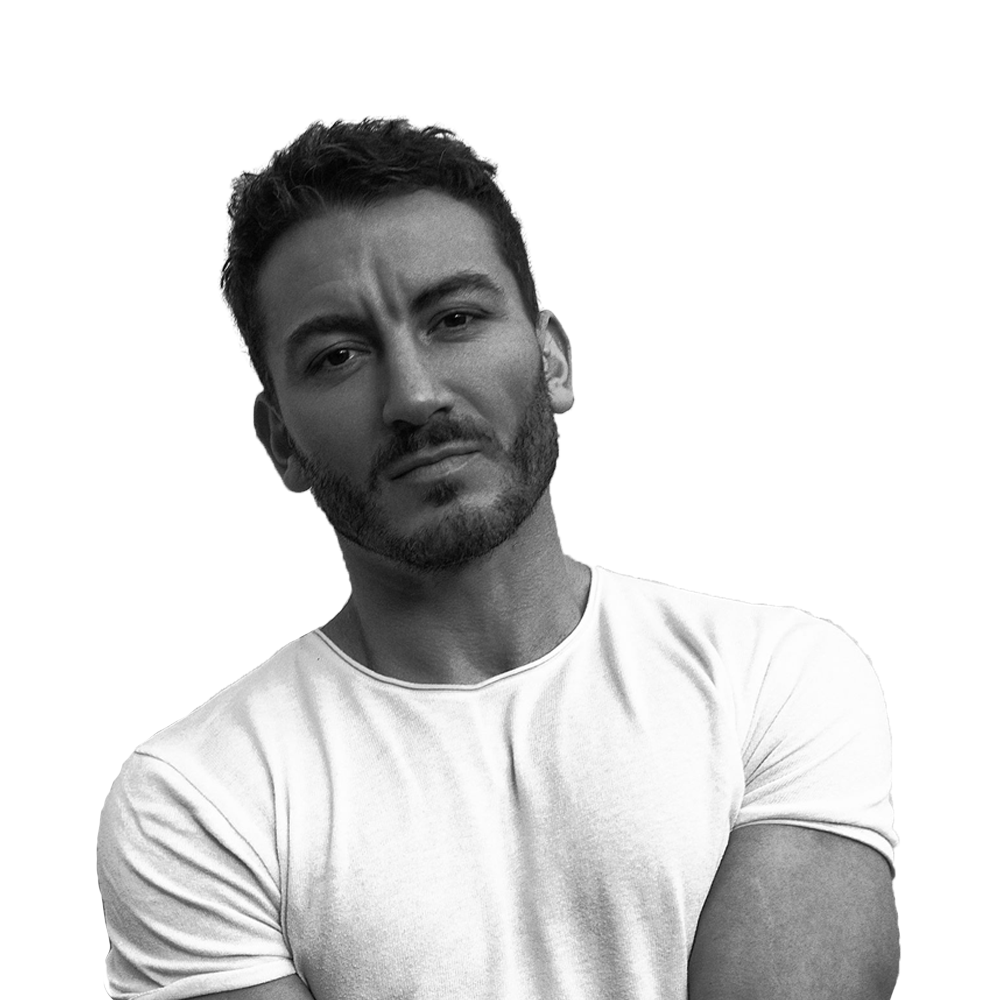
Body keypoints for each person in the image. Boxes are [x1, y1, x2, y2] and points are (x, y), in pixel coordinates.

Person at [96, 118, 901, 1000]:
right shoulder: (195, 797)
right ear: (281, 441)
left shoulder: (774, 679)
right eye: (338, 356)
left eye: (455, 319)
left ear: (552, 361)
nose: (414, 395)